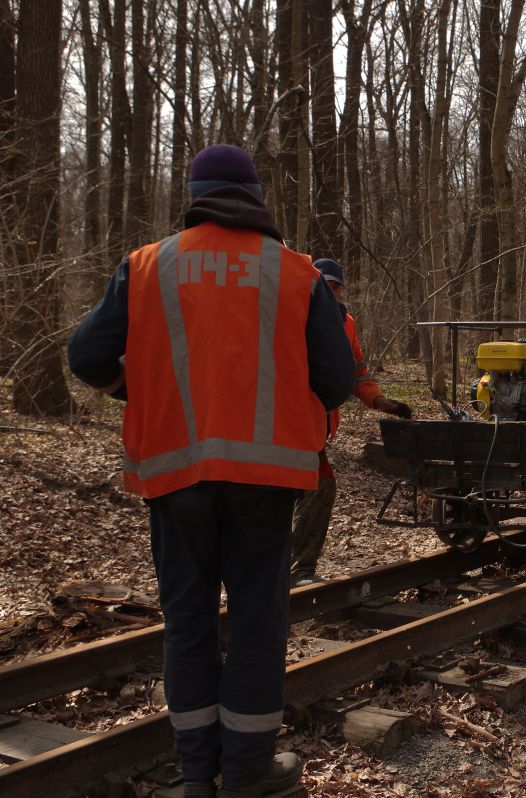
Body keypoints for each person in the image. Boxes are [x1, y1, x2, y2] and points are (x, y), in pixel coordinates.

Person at [68, 145, 355, 798]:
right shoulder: (297, 274)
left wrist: (134, 390)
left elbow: (85, 356)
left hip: (176, 472)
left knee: (189, 620)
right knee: (257, 621)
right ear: (256, 197)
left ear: (194, 193)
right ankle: (248, 774)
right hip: (267, 477)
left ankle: (198, 774)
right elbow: (337, 379)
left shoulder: (147, 265)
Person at [290, 258, 412, 586]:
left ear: (340, 289)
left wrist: (379, 401)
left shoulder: (346, 323)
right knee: (312, 488)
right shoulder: (293, 314)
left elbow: (356, 368)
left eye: (333, 287)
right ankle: (295, 571)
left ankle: (294, 571)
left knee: (314, 490)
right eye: (322, 285)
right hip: (291, 423)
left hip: (318, 425)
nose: (328, 292)